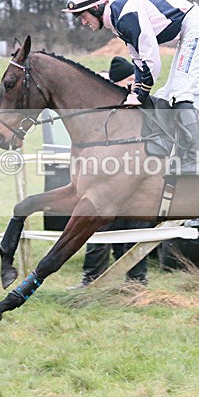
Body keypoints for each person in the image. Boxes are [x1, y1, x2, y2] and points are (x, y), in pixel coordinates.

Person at [62, 0, 199, 175]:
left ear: (96, 7)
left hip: (197, 29)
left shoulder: (126, 16)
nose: (83, 23)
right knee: (165, 95)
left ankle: (195, 158)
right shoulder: (118, 20)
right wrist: (136, 91)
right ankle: (173, 152)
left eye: (83, 16)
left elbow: (152, 61)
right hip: (187, 32)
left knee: (179, 94)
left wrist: (140, 94)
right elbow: (138, 60)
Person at [75, 56, 150, 288]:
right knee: (97, 231)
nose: (133, 85)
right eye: (129, 81)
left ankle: (136, 282)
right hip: (107, 182)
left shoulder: (141, 104)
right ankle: (90, 280)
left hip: (138, 182)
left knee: (136, 231)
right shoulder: (102, 110)